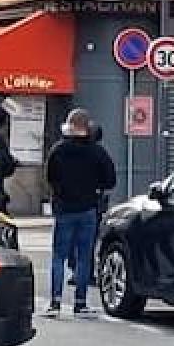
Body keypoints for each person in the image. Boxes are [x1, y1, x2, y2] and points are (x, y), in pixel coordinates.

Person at [45, 109, 116, 319]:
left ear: (69, 125)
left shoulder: (58, 150)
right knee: (84, 257)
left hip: (64, 209)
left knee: (59, 256)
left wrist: (60, 191)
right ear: (87, 127)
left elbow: (50, 177)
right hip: (87, 209)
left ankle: (55, 303)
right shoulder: (97, 152)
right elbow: (110, 180)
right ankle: (80, 303)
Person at [67, 122, 106, 287]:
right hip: (90, 203)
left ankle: (76, 270)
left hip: (67, 203)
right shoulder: (98, 153)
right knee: (87, 240)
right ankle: (85, 273)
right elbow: (109, 179)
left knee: (71, 238)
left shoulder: (67, 149)